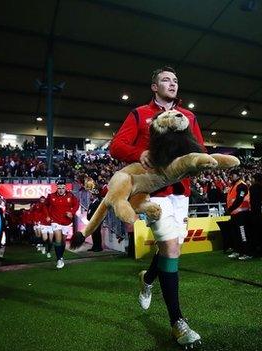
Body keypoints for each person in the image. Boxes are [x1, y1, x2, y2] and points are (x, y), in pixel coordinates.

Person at [106, 66, 203, 347]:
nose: (171, 84)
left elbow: (200, 149)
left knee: (170, 249)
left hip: (181, 193)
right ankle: (178, 323)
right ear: (154, 87)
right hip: (153, 192)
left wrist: (200, 163)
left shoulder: (189, 117)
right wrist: (140, 152)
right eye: (165, 79)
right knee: (170, 248)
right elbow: (116, 146)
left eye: (174, 80)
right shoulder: (139, 114)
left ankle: (148, 278)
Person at [47, 180, 79, 269]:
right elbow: (45, 206)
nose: (61, 190)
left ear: (65, 188)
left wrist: (71, 212)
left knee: (63, 241)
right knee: (58, 239)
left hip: (66, 222)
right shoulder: (51, 196)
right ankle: (59, 259)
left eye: (63, 188)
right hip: (55, 220)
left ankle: (61, 256)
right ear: (57, 188)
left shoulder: (71, 196)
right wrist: (48, 216)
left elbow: (76, 204)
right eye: (59, 188)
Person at [225, 170, 253, 261]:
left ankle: (247, 252)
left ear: (237, 176)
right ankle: (238, 251)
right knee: (235, 234)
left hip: (241, 214)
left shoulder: (241, 185)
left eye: (232, 175)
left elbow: (239, 199)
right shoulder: (234, 186)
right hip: (235, 213)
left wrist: (230, 209)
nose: (230, 177)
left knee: (242, 234)